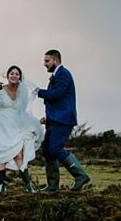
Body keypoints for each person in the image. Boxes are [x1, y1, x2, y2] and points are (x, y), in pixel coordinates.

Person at [35, 49, 91, 191]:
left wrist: (37, 91)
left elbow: (56, 95)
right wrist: (48, 118)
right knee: (47, 150)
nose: (44, 64)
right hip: (54, 120)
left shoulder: (63, 74)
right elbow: (57, 102)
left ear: (56, 60)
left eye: (47, 61)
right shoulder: (56, 75)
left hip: (64, 120)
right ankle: (52, 186)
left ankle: (81, 176)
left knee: (55, 148)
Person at [0, 65, 45, 193]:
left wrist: (33, 122)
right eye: (11, 73)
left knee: (19, 154)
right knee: (1, 154)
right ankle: (2, 184)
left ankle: (28, 185)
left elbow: (23, 110)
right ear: (7, 76)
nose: (14, 76)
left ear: (20, 77)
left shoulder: (22, 91)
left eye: (16, 74)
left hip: (14, 125)